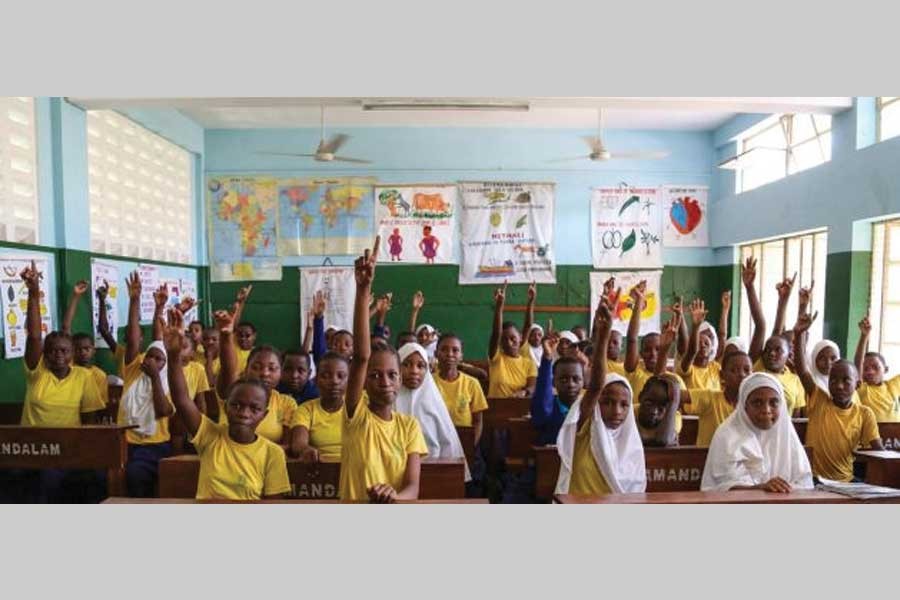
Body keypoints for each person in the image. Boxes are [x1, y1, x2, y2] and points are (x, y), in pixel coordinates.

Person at [161, 308, 290, 500]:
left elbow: (273, 504)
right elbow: (181, 400)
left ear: (264, 414)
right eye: (237, 405)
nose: (244, 413)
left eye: (254, 409)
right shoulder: (210, 436)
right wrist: (173, 356)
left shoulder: (272, 453)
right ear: (225, 406)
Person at [340, 237, 428, 503]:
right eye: (375, 375)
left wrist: (393, 498)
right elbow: (361, 356)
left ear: (400, 379)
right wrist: (364, 289)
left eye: (392, 375)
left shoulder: (409, 426)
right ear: (364, 382)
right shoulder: (356, 416)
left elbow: (412, 488)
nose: (384, 381)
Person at [554, 292, 646, 496]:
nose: (616, 411)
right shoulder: (587, 425)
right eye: (608, 402)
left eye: (624, 405)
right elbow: (596, 386)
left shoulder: (631, 444)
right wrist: (604, 336)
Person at [793, 308, 883, 482]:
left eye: (845, 381)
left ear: (857, 384)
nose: (839, 385)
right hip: (815, 479)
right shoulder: (819, 400)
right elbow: (802, 370)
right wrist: (799, 334)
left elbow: (878, 449)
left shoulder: (864, 414)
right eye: (833, 380)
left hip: (846, 480)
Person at [701, 373, 814, 493]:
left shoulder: (787, 434)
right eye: (757, 403)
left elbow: (804, 483)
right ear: (744, 406)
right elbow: (721, 487)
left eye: (774, 402)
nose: (766, 410)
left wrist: (781, 491)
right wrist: (759, 489)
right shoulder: (727, 436)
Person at [117, 272, 175, 497]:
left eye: (158, 359)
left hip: (154, 446)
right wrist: (134, 300)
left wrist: (154, 378)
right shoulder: (133, 371)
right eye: (148, 356)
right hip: (124, 443)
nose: (150, 361)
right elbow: (133, 338)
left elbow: (163, 411)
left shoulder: (170, 382)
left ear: (166, 364)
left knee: (136, 476)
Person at [216, 318, 297, 445]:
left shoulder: (286, 403)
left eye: (272, 368)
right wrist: (226, 335)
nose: (265, 373)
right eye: (256, 367)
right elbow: (227, 369)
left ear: (281, 373)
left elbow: (286, 446)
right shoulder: (233, 394)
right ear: (246, 369)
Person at [743, 258, 806, 416]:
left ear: (787, 356)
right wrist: (750, 287)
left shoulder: (794, 380)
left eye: (778, 351)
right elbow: (761, 325)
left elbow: (797, 419)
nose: (771, 353)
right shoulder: (757, 368)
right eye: (768, 350)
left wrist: (785, 300)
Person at [395, 343, 469, 478]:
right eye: (406, 364)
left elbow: (448, 446)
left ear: (427, 369)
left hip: (432, 473)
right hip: (392, 472)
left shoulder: (433, 402)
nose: (414, 371)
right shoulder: (388, 402)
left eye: (420, 366)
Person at [623, 281, 687, 398]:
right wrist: (639, 302)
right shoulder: (635, 372)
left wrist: (680, 317)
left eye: (658, 349)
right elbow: (632, 339)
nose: (653, 354)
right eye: (647, 350)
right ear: (641, 354)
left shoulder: (675, 380)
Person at [289, 351, 349, 463]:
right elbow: (298, 444)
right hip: (319, 471)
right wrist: (306, 450)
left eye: (341, 376)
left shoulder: (357, 408)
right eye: (326, 376)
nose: (334, 381)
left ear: (349, 381)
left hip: (353, 469)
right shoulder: (306, 409)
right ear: (316, 380)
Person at [61, 280, 110, 408]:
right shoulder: (69, 367)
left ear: (94, 350)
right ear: (71, 351)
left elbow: (101, 405)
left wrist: (101, 300)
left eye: (86, 349)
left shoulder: (99, 375)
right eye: (78, 349)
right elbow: (66, 327)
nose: (82, 352)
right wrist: (76, 296)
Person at [434, 334, 488, 445]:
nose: (449, 354)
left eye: (455, 350)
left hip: (465, 441)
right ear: (436, 354)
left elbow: (478, 421)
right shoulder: (429, 382)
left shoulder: (472, 383)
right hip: (435, 439)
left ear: (461, 356)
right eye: (444, 349)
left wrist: (471, 445)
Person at [487, 280, 537, 398]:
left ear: (520, 337)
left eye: (513, 338)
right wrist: (499, 306)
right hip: (496, 410)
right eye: (504, 339)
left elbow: (532, 386)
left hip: (519, 410)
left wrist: (531, 302)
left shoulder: (528, 364)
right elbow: (496, 332)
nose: (509, 343)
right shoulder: (496, 357)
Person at [855, 315, 900, 421]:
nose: (870, 372)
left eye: (875, 367)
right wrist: (864, 336)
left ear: (885, 369)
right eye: (865, 369)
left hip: (895, 436)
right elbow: (858, 364)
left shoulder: (893, 385)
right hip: (872, 436)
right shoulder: (862, 389)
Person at [679, 299, 721, 391]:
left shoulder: (715, 367)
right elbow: (691, 352)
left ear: (712, 347)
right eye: (698, 342)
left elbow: (722, 335)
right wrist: (696, 326)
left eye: (706, 343)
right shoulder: (687, 367)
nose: (702, 345)